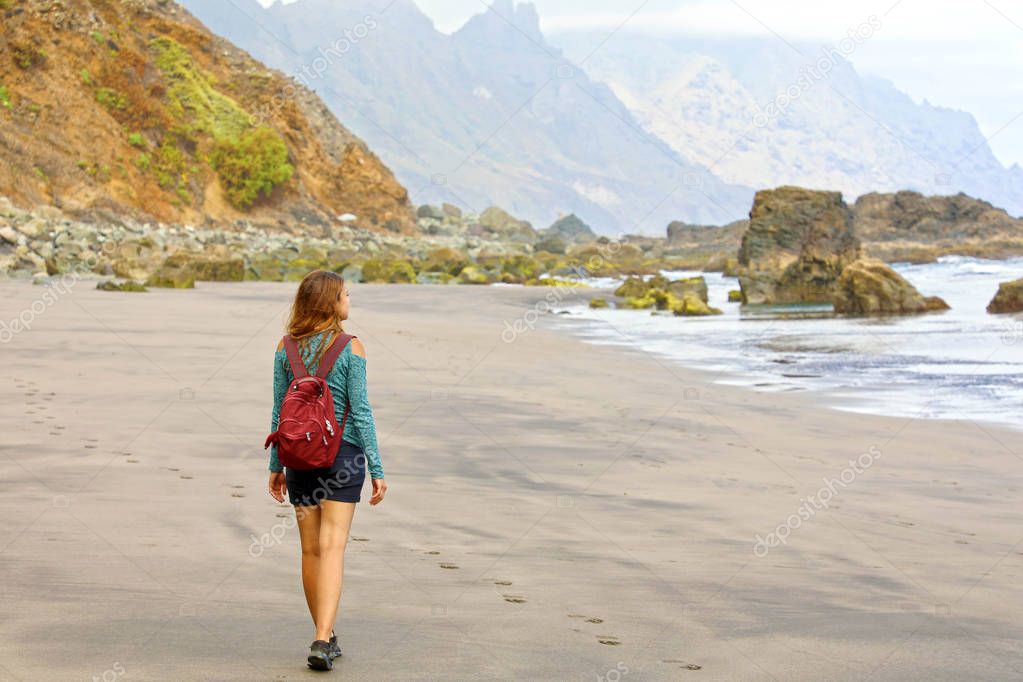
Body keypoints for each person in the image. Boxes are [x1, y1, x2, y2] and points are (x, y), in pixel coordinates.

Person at [267, 270, 387, 671]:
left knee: (310, 549)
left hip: (300, 458)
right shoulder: (351, 348)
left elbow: (278, 412)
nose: (349, 301)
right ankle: (322, 637)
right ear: (331, 303)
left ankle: (324, 634)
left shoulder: (286, 349)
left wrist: (275, 464)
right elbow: (363, 412)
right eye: (345, 295)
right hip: (343, 457)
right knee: (334, 547)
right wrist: (377, 467)